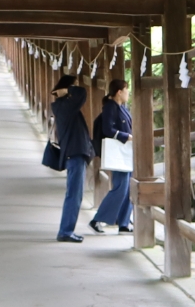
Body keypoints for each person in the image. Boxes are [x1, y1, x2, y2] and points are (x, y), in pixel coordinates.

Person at [49, 74, 94, 242]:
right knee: (74, 194)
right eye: (72, 86)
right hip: (74, 154)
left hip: (74, 153)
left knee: (74, 194)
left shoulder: (64, 106)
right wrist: (68, 89)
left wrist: (66, 90)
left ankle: (66, 230)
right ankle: (65, 231)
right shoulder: (65, 106)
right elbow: (82, 93)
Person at [90, 79, 134, 234]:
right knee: (120, 188)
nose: (128, 93)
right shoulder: (110, 107)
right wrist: (126, 136)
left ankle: (123, 222)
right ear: (119, 92)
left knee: (128, 188)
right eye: (126, 90)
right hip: (119, 154)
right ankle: (97, 219)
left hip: (126, 153)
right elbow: (108, 129)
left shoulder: (122, 107)